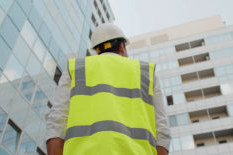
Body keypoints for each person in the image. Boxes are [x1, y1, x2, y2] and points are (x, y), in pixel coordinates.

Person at [46, 23, 171, 155]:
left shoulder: (76, 69)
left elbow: (56, 123)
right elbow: (162, 133)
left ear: (97, 49)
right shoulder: (146, 73)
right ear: (122, 47)